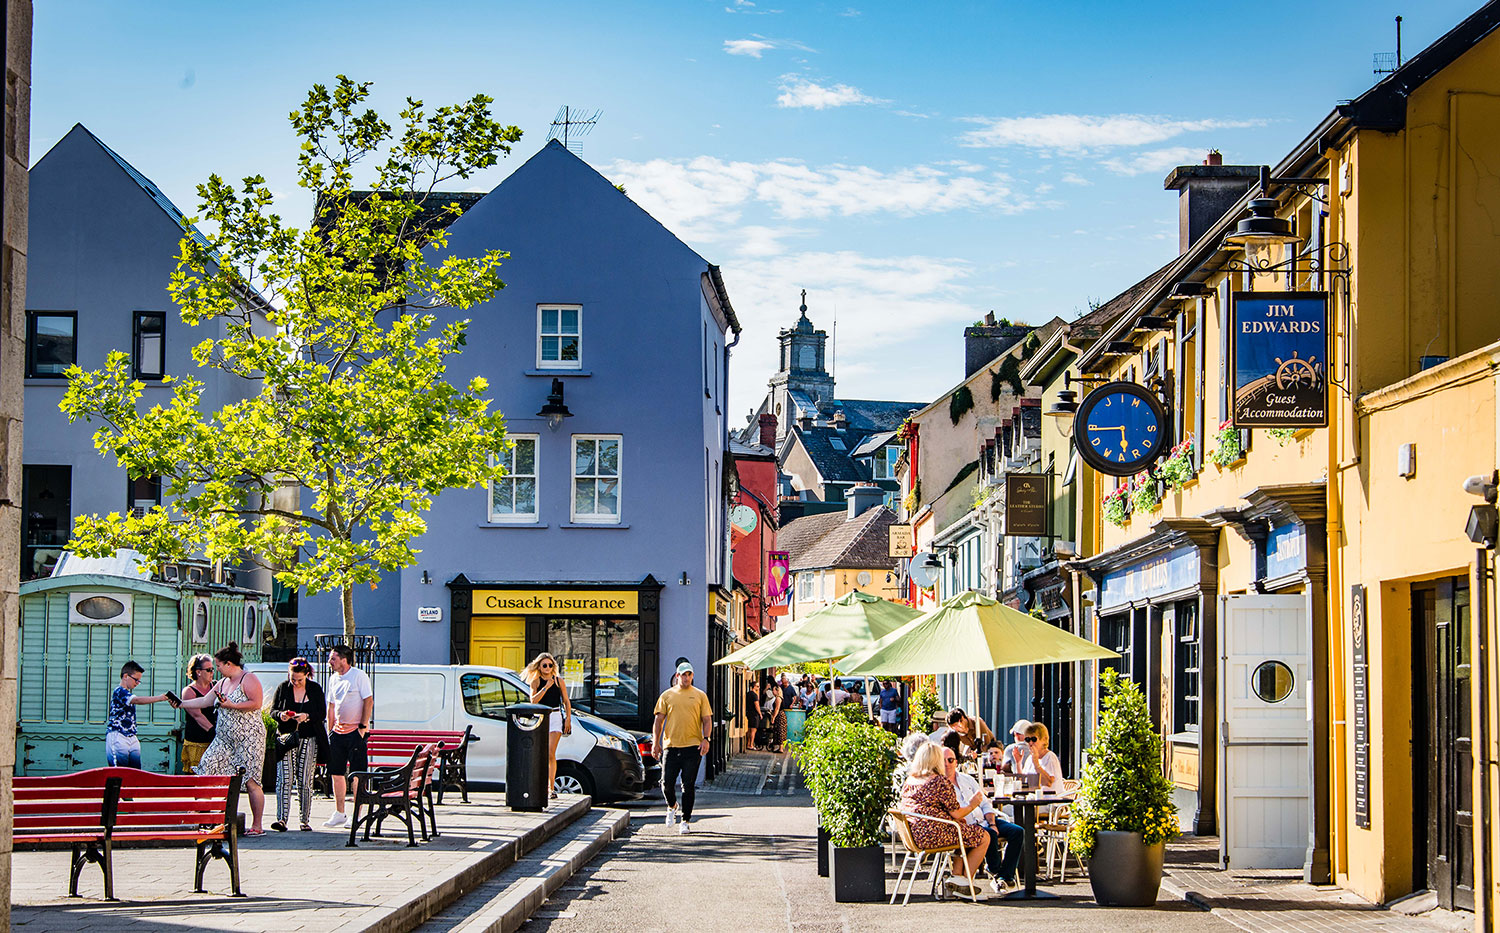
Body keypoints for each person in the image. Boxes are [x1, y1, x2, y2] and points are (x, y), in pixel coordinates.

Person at [179, 643, 267, 835]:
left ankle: (257, 825)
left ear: (229, 663)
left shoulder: (248, 678)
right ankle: (202, 815)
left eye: (218, 666)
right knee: (207, 767)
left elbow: (256, 703)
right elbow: (205, 701)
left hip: (248, 738)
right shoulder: (222, 683)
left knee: (251, 781)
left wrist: (231, 705)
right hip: (225, 738)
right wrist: (181, 704)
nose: (216, 670)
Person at [898, 742, 989, 895]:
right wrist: (974, 803)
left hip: (914, 835)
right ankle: (965, 884)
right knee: (983, 837)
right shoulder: (938, 781)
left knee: (964, 831)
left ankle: (957, 879)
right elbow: (957, 813)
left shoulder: (910, 781)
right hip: (934, 834)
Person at [942, 744, 1024, 894]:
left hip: (985, 820)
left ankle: (1004, 876)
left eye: (950, 760)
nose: (947, 764)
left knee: (1017, 831)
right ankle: (996, 871)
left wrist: (992, 823)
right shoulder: (941, 785)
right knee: (990, 834)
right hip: (969, 826)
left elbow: (985, 803)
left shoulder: (967, 779)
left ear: (956, 762)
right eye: (943, 760)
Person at [652, 661, 712, 833]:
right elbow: (658, 721)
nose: (686, 678)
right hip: (671, 746)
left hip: (693, 747)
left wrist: (706, 739)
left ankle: (685, 820)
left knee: (688, 784)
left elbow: (707, 720)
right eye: (683, 675)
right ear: (677, 676)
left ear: (693, 676)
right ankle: (672, 806)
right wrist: (655, 743)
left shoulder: (700, 695)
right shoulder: (667, 695)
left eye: (689, 674)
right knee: (666, 784)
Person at [269, 656, 327, 832]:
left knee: (305, 780)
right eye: (292, 678)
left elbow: (322, 713)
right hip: (287, 737)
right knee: (284, 778)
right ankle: (281, 819)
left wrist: (306, 716)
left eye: (299, 680)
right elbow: (273, 711)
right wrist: (282, 715)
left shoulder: (315, 689)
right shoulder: (283, 688)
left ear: (307, 675)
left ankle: (304, 820)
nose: (295, 682)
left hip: (309, 737)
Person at [322, 643, 373, 828]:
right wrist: (330, 729)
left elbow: (368, 700)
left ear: (344, 659)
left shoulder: (358, 676)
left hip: (355, 732)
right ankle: (340, 811)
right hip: (338, 732)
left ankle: (356, 812)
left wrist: (362, 726)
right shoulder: (333, 678)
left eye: (333, 658)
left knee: (357, 773)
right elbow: (331, 705)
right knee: (336, 772)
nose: (330, 661)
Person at [523, 652, 574, 799]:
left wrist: (568, 719)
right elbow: (533, 701)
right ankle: (538, 783)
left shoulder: (559, 681)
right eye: (544, 665)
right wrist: (545, 687)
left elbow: (566, 701)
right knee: (540, 752)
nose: (547, 667)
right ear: (539, 666)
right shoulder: (536, 682)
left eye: (550, 665)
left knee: (550, 752)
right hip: (540, 717)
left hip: (555, 716)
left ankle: (551, 788)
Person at [107, 660, 176, 768]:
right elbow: (137, 700)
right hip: (118, 734)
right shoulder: (119, 691)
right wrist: (160, 698)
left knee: (135, 771)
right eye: (136, 680)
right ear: (126, 676)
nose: (137, 683)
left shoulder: (127, 693)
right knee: (119, 772)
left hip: (131, 735)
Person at [179, 654, 217, 773]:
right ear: (198, 672)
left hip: (214, 739)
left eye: (213, 669)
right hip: (197, 739)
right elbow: (198, 716)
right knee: (194, 775)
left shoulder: (216, 686)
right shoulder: (189, 691)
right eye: (209, 670)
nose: (212, 672)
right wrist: (214, 732)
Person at [1021, 721, 1066, 795]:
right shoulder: (1030, 758)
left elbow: (1047, 783)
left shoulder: (1050, 757)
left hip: (1048, 801)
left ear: (1044, 740)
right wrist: (1018, 763)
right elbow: (1024, 781)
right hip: (1032, 798)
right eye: (1028, 740)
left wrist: (1036, 764)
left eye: (1034, 739)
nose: (1030, 743)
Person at [744, 682, 761, 750]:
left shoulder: (748, 694)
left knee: (749, 729)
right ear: (754, 687)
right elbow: (757, 705)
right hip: (754, 714)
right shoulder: (754, 695)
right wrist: (760, 713)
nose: (758, 688)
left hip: (749, 713)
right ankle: (751, 744)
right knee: (753, 730)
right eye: (757, 686)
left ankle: (748, 743)